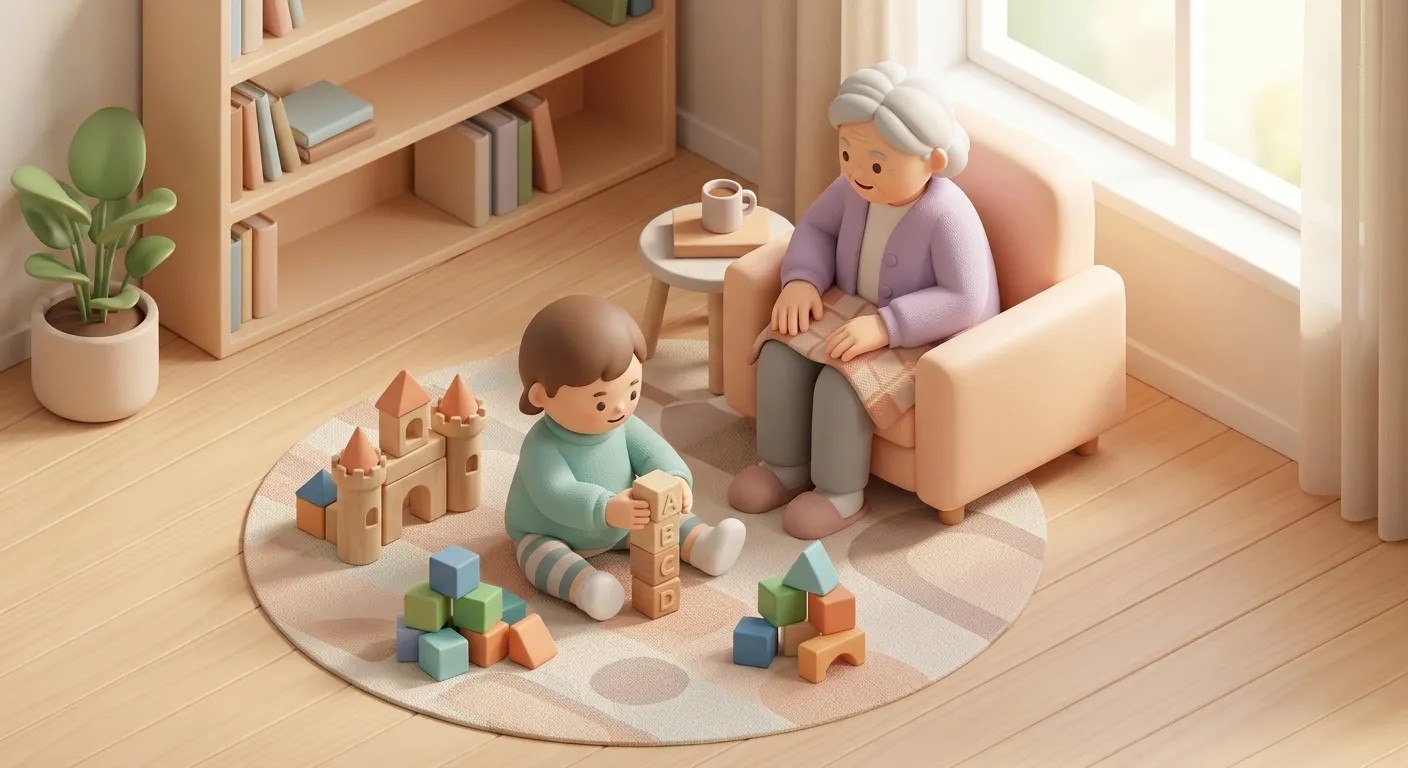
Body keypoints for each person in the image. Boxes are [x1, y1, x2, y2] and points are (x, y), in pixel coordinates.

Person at [727, 61, 1001, 539]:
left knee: (843, 384)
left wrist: (888, 325)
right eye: (846, 153)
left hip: (928, 337)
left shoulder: (948, 214)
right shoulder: (852, 188)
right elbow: (816, 228)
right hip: (852, 307)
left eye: (875, 164)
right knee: (780, 353)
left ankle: (840, 494)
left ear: (932, 162)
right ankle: (784, 467)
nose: (856, 172)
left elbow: (965, 299)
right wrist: (802, 280)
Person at [506, 295, 747, 621]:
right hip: (552, 532)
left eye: (632, 391)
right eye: (601, 403)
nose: (620, 407)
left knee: (662, 518)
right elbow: (555, 493)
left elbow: (655, 452)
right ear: (541, 396)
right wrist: (605, 508)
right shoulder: (541, 446)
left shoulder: (623, 425)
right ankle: (587, 587)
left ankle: (703, 544)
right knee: (539, 556)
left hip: (624, 522)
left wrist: (676, 479)